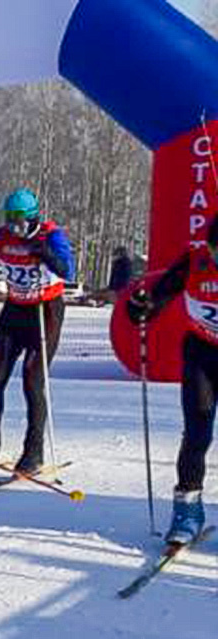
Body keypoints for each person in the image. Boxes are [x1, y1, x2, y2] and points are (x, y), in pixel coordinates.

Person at [0, 187, 76, 473]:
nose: (15, 226)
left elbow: (68, 271)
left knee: (32, 379)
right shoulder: (2, 237)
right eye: (9, 218)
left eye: (20, 220)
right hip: (14, 310)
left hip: (45, 310)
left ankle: (33, 451)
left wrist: (47, 254)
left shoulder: (51, 235)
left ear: (34, 217)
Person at [126, 219, 218, 545]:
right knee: (197, 429)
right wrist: (141, 309)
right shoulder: (195, 260)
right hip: (202, 352)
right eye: (215, 251)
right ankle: (187, 510)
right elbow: (159, 297)